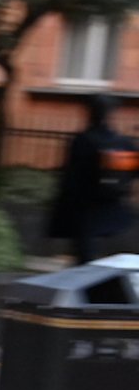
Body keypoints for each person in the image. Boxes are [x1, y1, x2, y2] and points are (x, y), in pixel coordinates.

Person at [48, 93, 139, 263]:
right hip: (114, 211)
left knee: (85, 259)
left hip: (86, 211)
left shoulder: (83, 140)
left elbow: (72, 178)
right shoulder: (122, 142)